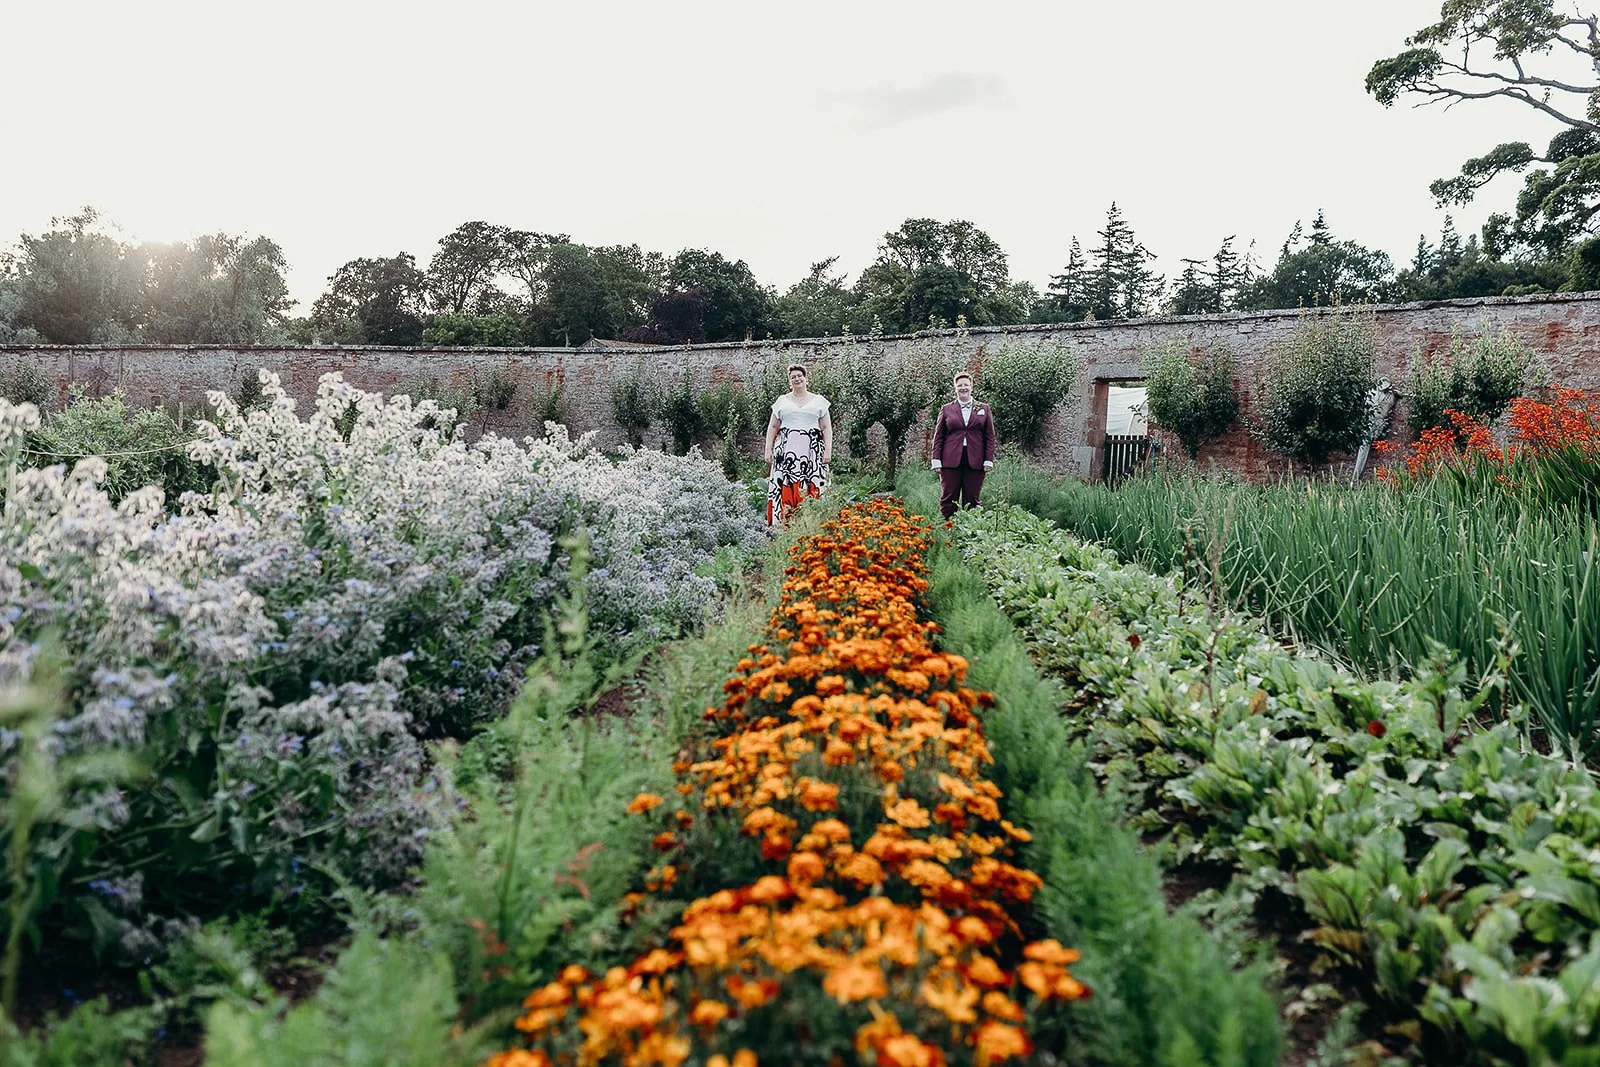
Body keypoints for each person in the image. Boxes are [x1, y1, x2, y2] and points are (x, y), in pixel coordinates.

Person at [763, 363, 832, 526]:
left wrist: (828, 450)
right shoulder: (781, 401)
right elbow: (773, 427)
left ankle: (813, 523)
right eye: (793, 377)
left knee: (812, 483)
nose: (797, 379)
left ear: (806, 379)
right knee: (786, 483)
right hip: (786, 452)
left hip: (812, 451)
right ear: (789, 381)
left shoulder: (819, 401)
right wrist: (768, 449)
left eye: (800, 376)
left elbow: (826, 427)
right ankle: (784, 524)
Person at [931, 371, 996, 520]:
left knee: (972, 498)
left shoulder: (983, 408)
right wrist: (936, 459)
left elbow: (990, 436)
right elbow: (939, 436)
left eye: (966, 385)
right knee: (949, 498)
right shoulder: (947, 409)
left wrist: (988, 459)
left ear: (971, 387)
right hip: (950, 460)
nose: (963, 388)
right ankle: (948, 529)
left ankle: (970, 531)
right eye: (959, 385)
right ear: (955, 388)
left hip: (976, 461)